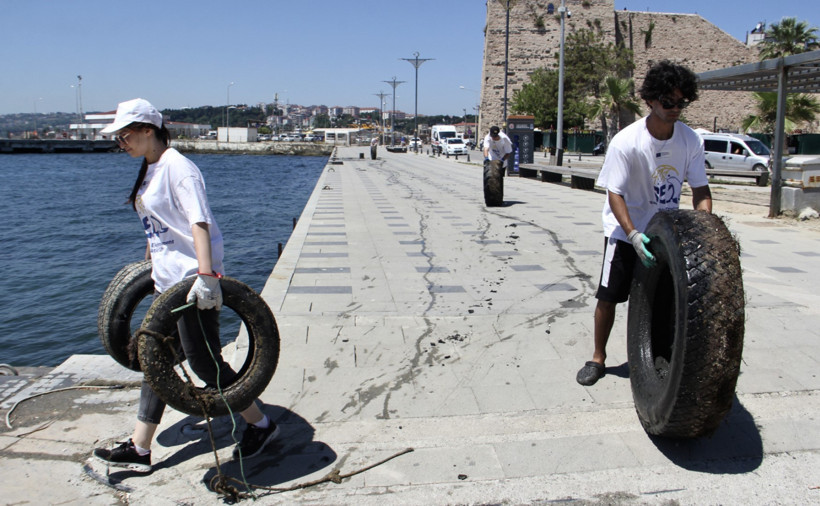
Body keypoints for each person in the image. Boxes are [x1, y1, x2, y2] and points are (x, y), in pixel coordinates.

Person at [92, 98, 278, 473]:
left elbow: (199, 222)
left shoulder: (179, 168)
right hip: (166, 283)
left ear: (148, 130)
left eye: (125, 135)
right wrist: (150, 261)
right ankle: (140, 447)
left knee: (205, 365)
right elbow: (158, 223)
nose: (120, 143)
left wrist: (207, 277)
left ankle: (261, 424)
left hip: (190, 284)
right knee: (155, 361)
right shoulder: (150, 167)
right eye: (117, 138)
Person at [576, 61, 713, 386]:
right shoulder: (627, 142)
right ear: (651, 100)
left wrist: (704, 225)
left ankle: (660, 356)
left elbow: (700, 190)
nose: (675, 109)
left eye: (682, 102)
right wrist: (633, 235)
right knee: (609, 296)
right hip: (625, 232)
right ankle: (598, 358)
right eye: (668, 102)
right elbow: (615, 194)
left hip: (666, 233)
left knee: (665, 300)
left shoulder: (690, 140)